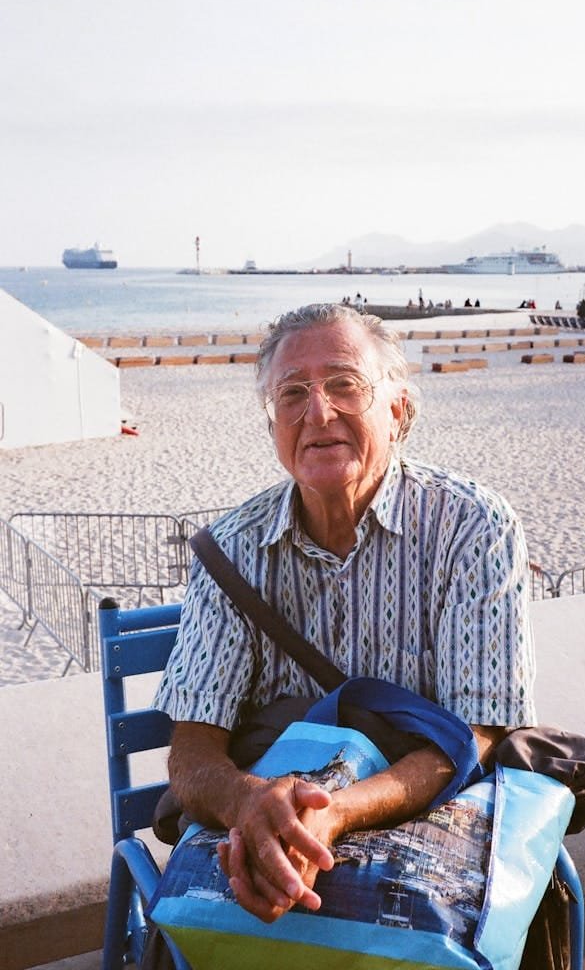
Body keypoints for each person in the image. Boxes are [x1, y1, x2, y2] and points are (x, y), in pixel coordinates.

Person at [154, 302, 536, 925]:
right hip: (270, 817)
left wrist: (333, 811)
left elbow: (480, 730)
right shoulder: (230, 550)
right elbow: (192, 751)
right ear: (272, 422)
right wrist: (252, 803)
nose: (318, 412)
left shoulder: (472, 527)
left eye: (344, 385)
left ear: (399, 409)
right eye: (293, 393)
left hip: (424, 813)